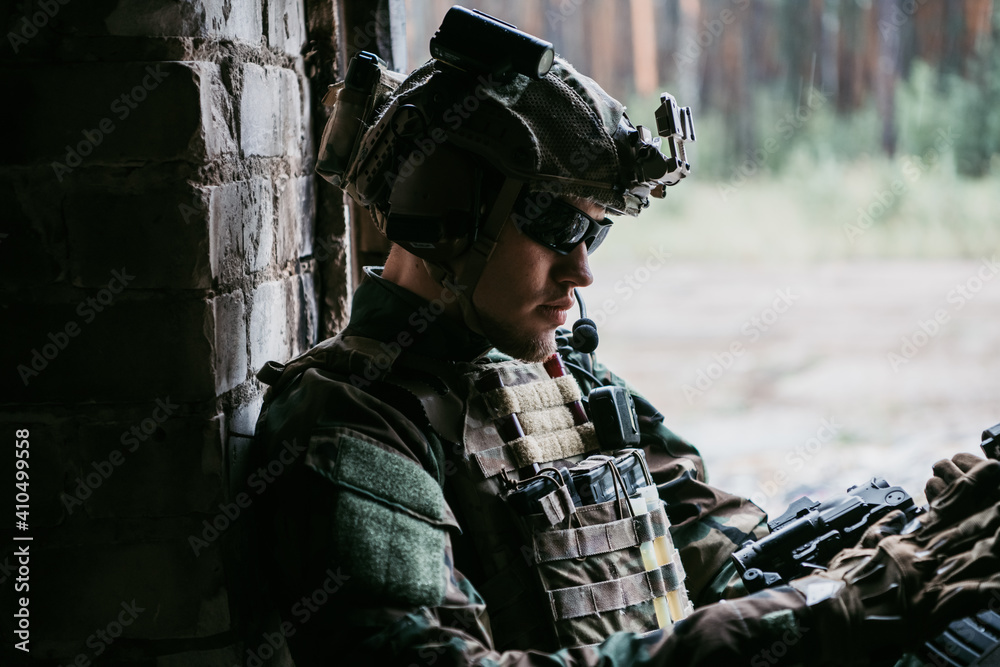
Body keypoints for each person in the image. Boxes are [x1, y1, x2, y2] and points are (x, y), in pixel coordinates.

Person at [252, 8, 1000, 665]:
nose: (582, 272)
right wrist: (846, 605)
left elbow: (724, 558)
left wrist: (914, 541)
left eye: (596, 236)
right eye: (558, 227)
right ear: (442, 215)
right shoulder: (352, 427)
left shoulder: (568, 383)